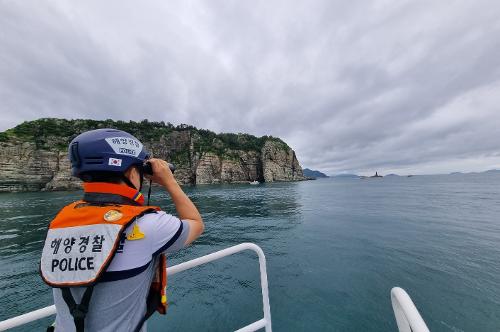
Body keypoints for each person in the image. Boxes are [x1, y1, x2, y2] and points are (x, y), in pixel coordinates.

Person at [39, 128, 204, 332]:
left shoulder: (59, 222)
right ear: (130, 171)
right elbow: (195, 223)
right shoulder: (147, 226)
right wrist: (169, 181)